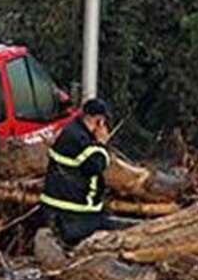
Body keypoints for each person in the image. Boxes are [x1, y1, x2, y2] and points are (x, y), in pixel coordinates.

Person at [40, 97, 131, 246]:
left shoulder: (71, 131)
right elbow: (97, 165)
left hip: (57, 208)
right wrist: (102, 144)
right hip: (75, 213)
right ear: (99, 121)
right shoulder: (81, 140)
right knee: (116, 230)